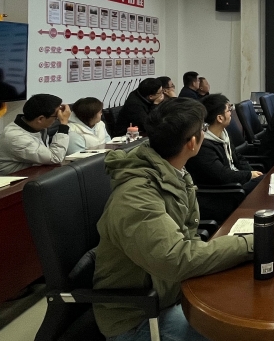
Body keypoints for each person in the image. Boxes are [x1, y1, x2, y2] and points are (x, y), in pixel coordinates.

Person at [93, 97, 257, 340]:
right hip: (140, 317)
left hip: (172, 293)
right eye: (203, 128)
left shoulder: (172, 171)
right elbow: (175, 258)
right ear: (192, 143)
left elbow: (185, 239)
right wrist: (250, 243)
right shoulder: (135, 197)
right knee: (236, 333)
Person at [186, 94, 263, 220]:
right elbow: (222, 175)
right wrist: (248, 175)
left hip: (236, 183)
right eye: (229, 109)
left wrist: (251, 172)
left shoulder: (223, 134)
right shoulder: (204, 146)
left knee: (265, 181)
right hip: (224, 193)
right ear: (220, 118)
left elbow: (238, 158)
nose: (231, 112)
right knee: (265, 186)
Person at [0, 94, 71, 176]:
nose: (57, 119)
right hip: (9, 181)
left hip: (32, 175)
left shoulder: (37, 126)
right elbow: (55, 157)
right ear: (41, 119)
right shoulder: (16, 137)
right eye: (56, 116)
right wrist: (63, 125)